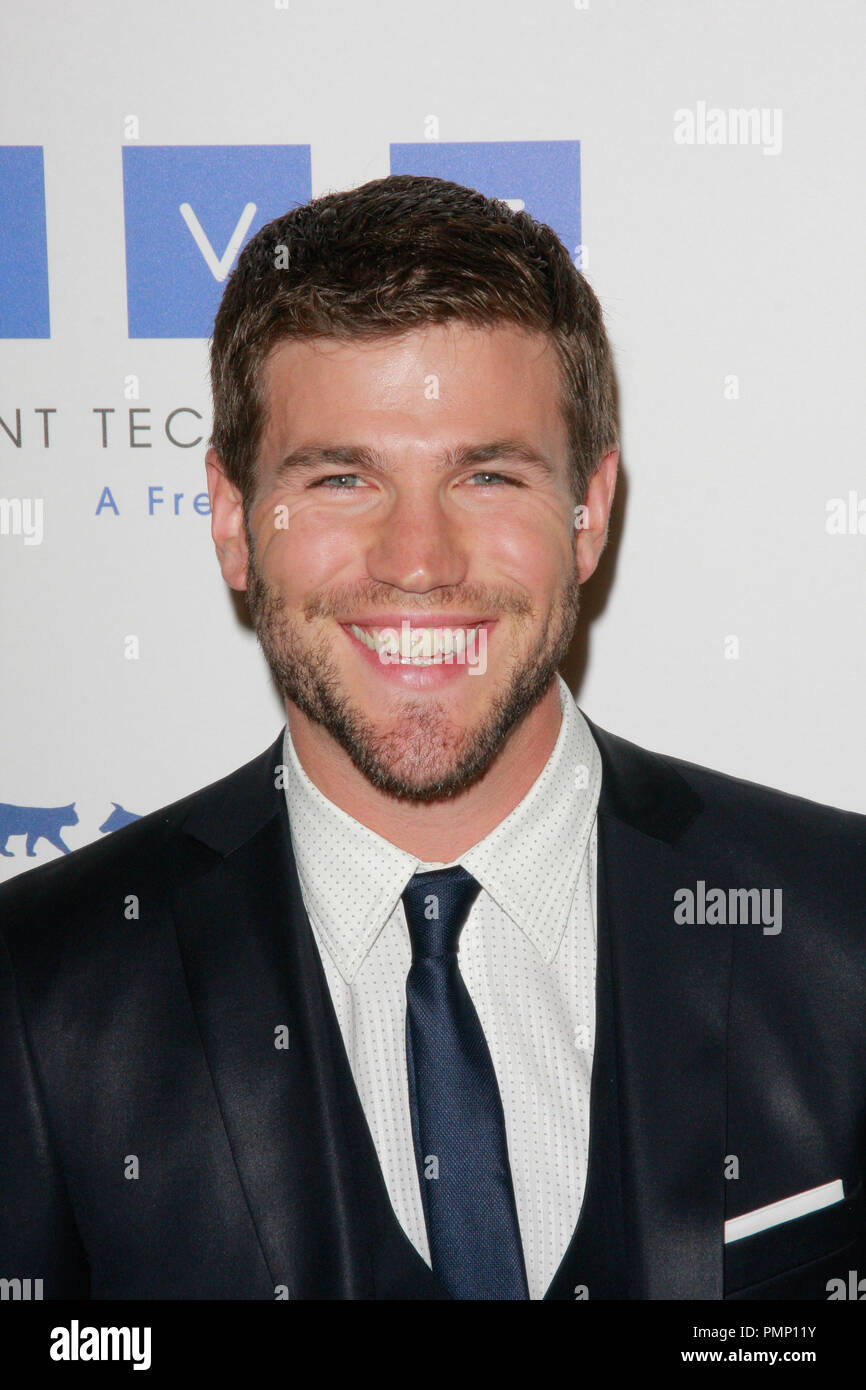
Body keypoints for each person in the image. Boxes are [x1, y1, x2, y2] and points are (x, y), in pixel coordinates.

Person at [1, 175, 863, 1301]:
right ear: (229, 518)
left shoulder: (841, 923)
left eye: (486, 472)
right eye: (343, 476)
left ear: (587, 511)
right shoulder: (43, 991)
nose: (418, 557)